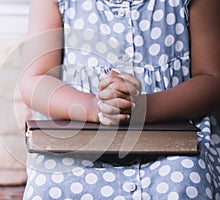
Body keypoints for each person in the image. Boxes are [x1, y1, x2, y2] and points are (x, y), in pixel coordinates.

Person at [20, 0, 220, 199]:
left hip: (174, 140)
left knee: (187, 178)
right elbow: (35, 79)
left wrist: (142, 108)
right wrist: (94, 107)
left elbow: (211, 80)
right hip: (78, 143)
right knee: (49, 185)